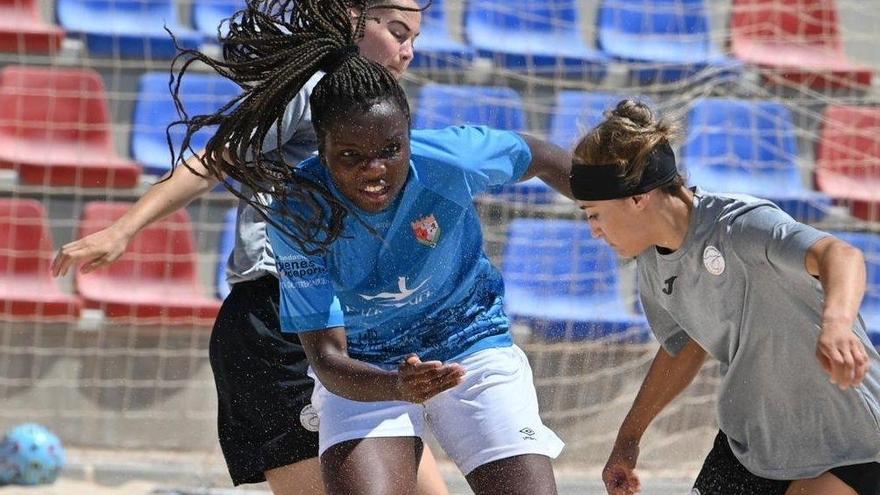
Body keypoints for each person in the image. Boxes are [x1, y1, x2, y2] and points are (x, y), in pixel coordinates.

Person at [170, 1, 576, 493]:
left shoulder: (453, 158)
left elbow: (546, 157)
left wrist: (616, 200)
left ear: (408, 135)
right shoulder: (300, 209)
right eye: (350, 156)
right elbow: (326, 359)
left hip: (470, 344)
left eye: (391, 149)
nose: (375, 170)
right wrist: (396, 387)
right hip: (366, 368)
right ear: (321, 147)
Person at [49, 1, 450, 494]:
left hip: (346, 330)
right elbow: (216, 159)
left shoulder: (379, 118)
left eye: (414, 40)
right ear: (350, 18)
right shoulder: (310, 90)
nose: (407, 52)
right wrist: (123, 229)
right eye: (395, 31)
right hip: (280, 323)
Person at [567, 100, 880, 495]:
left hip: (845, 438)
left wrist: (836, 326)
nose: (593, 229)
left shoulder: (739, 226)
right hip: (753, 442)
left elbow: (841, 254)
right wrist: (628, 439)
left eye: (594, 213)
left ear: (637, 198)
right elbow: (683, 347)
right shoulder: (651, 264)